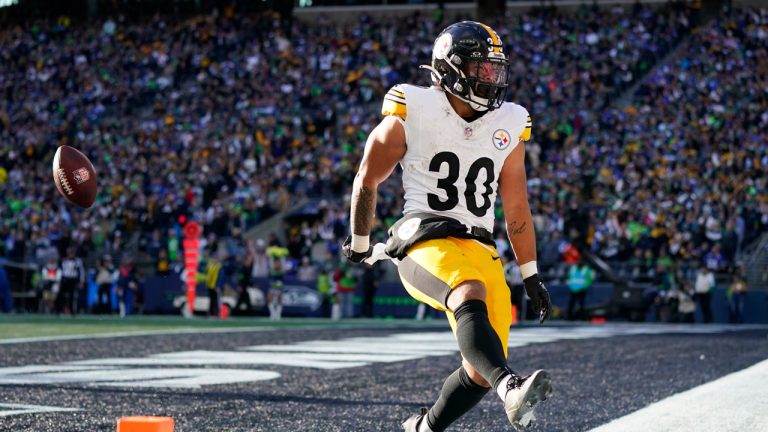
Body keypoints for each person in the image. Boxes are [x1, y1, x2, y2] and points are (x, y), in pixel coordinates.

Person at [341, 21, 553, 431]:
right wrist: (362, 240)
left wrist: (531, 274)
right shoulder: (413, 106)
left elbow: (516, 206)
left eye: (495, 71)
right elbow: (368, 175)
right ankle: (510, 389)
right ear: (453, 68)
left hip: (480, 246)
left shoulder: (509, 121)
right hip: (424, 236)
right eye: (481, 70)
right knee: (468, 294)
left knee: (479, 367)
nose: (491, 80)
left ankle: (423, 428)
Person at [57, 247, 85, 316]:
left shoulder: (78, 261)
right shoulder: (64, 260)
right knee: (61, 295)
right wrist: (58, 280)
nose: (71, 255)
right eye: (70, 253)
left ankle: (72, 311)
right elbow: (60, 271)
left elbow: (81, 271)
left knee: (72, 296)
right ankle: (59, 310)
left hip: (73, 280)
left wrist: (81, 281)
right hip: (65, 279)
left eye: (72, 253)